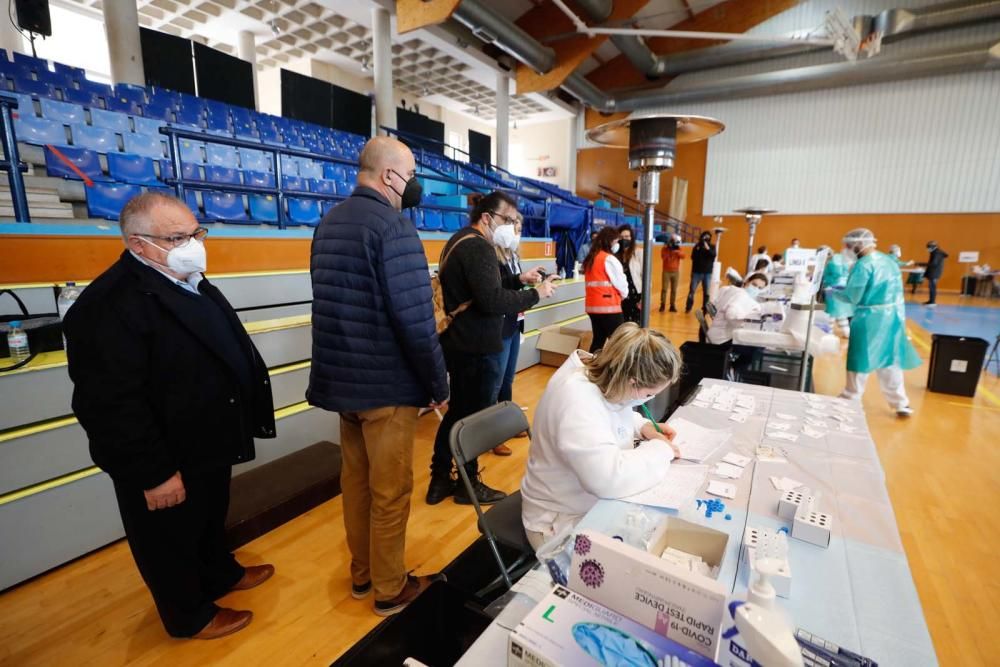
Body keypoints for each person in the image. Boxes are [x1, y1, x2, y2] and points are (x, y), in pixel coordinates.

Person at [63, 193, 276, 640]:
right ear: (138, 245)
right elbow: (109, 404)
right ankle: (188, 615)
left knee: (207, 517)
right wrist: (154, 472)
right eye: (177, 237)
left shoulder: (187, 278)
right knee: (167, 539)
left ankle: (219, 573)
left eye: (195, 233)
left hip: (207, 440)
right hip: (164, 454)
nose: (193, 244)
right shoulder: (107, 305)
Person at [307, 137, 450, 616]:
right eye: (409, 175)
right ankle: (390, 588)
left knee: (357, 485)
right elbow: (416, 321)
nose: (413, 185)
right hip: (386, 387)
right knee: (391, 493)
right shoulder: (395, 228)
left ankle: (363, 574)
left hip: (343, 383)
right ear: (390, 175)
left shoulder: (327, 223)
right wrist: (438, 386)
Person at [428, 191, 557, 506]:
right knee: (471, 419)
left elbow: (483, 288)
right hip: (475, 346)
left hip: (460, 342)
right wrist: (535, 292)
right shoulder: (479, 247)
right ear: (486, 218)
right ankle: (467, 483)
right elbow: (492, 300)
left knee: (458, 413)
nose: (512, 227)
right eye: (508, 220)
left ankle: (440, 477)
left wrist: (517, 279)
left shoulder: (460, 240)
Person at [520, 323, 683, 549]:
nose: (646, 400)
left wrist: (643, 427)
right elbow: (607, 479)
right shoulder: (577, 399)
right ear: (632, 381)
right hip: (557, 520)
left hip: (580, 503)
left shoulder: (605, 375)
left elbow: (613, 407)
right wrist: (661, 450)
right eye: (648, 394)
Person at [832, 228, 921, 417]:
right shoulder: (889, 261)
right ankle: (900, 403)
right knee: (890, 359)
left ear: (857, 244)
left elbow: (853, 296)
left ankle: (850, 398)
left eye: (848, 245)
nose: (846, 249)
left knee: (861, 358)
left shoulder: (863, 265)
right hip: (892, 317)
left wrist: (834, 292)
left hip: (869, 318)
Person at [491, 211, 528, 457]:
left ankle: (506, 424)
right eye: (514, 225)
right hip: (501, 325)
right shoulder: (492, 255)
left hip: (515, 322)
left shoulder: (513, 254)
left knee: (507, 380)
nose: (517, 231)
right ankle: (492, 434)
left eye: (519, 227)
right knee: (494, 382)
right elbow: (499, 292)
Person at [583, 226, 629, 351]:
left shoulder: (591, 258)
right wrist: (624, 295)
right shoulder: (608, 259)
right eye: (616, 241)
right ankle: (615, 369)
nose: (617, 244)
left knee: (598, 340)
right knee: (619, 343)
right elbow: (621, 284)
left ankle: (591, 368)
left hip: (593, 308)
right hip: (609, 307)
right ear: (609, 241)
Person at [706, 272, 777, 345]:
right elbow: (731, 314)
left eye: (759, 288)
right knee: (757, 346)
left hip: (713, 334)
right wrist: (748, 321)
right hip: (722, 340)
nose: (756, 289)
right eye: (754, 284)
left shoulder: (730, 289)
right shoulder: (742, 296)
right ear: (747, 281)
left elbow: (714, 304)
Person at [822, 243, 853, 337]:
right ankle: (846, 332)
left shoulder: (831, 263)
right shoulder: (839, 258)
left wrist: (824, 281)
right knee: (841, 311)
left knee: (832, 311)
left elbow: (830, 276)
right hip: (845, 287)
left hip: (832, 288)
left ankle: (828, 331)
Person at [616, 225, 643, 324]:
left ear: (631, 238)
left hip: (636, 296)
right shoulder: (615, 255)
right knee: (622, 326)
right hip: (621, 297)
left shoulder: (639, 252)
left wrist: (644, 298)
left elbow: (646, 278)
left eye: (627, 236)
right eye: (621, 237)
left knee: (636, 326)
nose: (624, 239)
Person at [685, 230, 716, 313]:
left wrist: (707, 248)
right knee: (692, 290)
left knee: (706, 291)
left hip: (707, 273)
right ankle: (688, 307)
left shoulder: (712, 247)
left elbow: (713, 255)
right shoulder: (697, 246)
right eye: (704, 237)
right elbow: (693, 257)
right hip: (696, 272)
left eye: (708, 237)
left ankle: (705, 307)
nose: (706, 239)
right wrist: (700, 248)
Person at [659, 233, 684, 312]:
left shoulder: (678, 248)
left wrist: (677, 252)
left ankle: (672, 305)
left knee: (674, 290)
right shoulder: (665, 248)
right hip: (666, 271)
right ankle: (662, 305)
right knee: (664, 289)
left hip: (675, 272)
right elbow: (663, 257)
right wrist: (669, 250)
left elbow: (683, 256)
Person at [922, 241, 948, 307]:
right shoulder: (935, 252)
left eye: (929, 247)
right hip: (934, 272)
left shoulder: (937, 253)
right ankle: (931, 301)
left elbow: (933, 264)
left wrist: (921, 264)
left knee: (932, 287)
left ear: (933, 247)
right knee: (931, 287)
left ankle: (932, 302)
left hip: (934, 273)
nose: (928, 249)